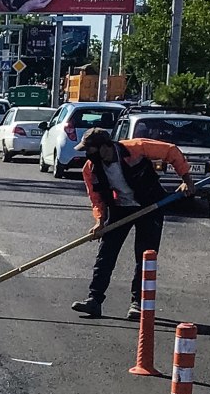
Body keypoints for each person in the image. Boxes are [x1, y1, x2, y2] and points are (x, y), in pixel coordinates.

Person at [71, 127, 195, 320]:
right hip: (120, 207)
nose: (88, 155)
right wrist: (100, 221)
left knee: (145, 256)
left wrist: (186, 178)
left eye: (90, 150)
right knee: (106, 254)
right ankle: (94, 300)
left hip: (151, 204)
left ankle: (137, 303)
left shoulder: (136, 148)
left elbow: (171, 151)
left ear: (105, 147)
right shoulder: (91, 167)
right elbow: (96, 197)